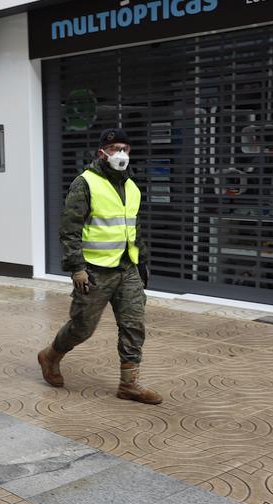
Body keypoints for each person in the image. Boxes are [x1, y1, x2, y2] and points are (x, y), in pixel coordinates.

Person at [38, 128, 162, 405]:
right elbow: (70, 230)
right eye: (116, 148)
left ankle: (129, 384)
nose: (121, 154)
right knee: (83, 327)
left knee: (133, 324)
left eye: (126, 149)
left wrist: (141, 262)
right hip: (94, 270)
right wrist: (76, 267)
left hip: (127, 268)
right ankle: (51, 355)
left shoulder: (132, 186)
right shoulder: (85, 183)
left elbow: (134, 228)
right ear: (102, 153)